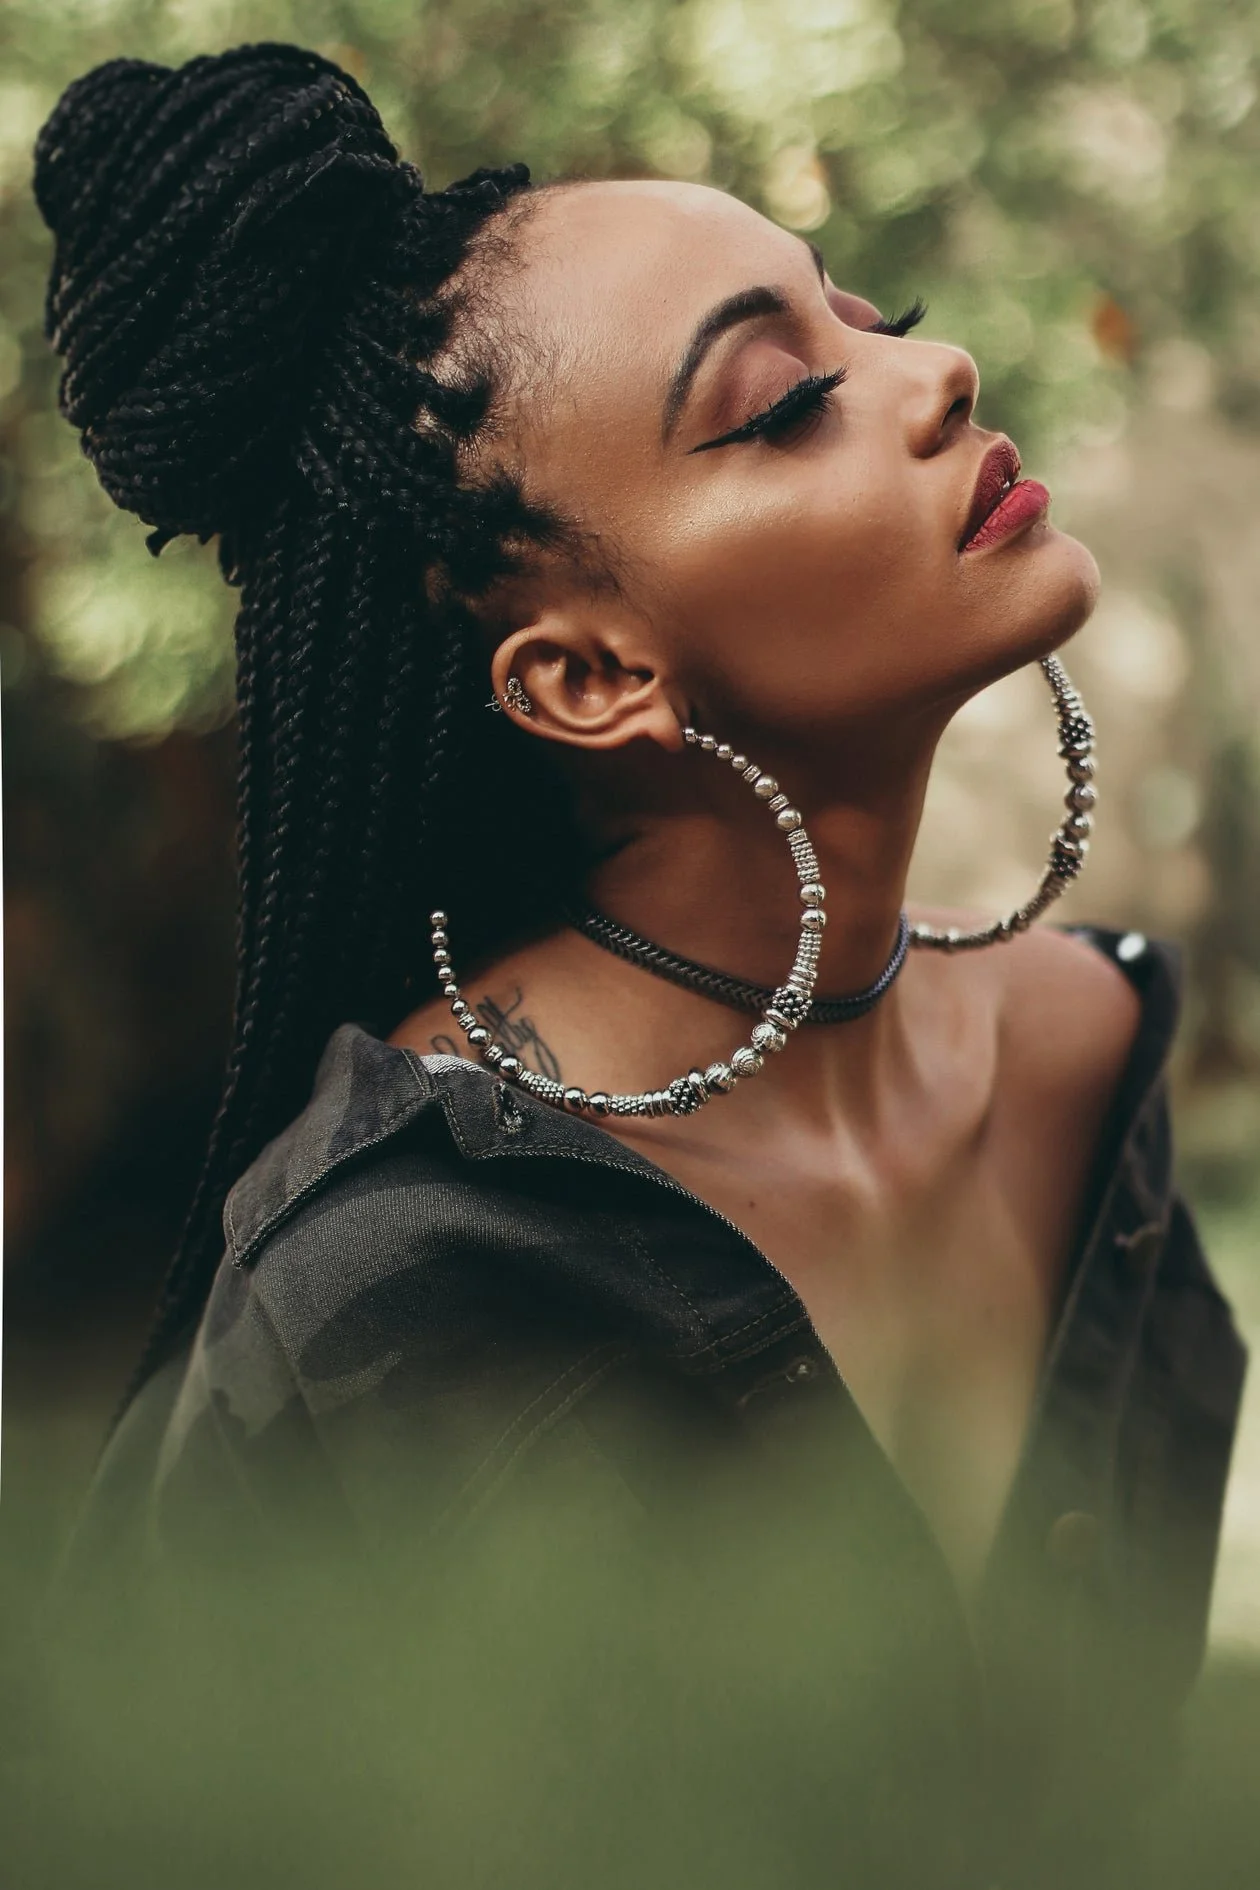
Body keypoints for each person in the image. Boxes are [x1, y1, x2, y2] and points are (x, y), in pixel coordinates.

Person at [29, 42, 1245, 1890]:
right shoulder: (397, 1286)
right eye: (782, 405)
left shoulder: (1089, 1060)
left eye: (877, 320)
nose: (937, 373)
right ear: (591, 682)